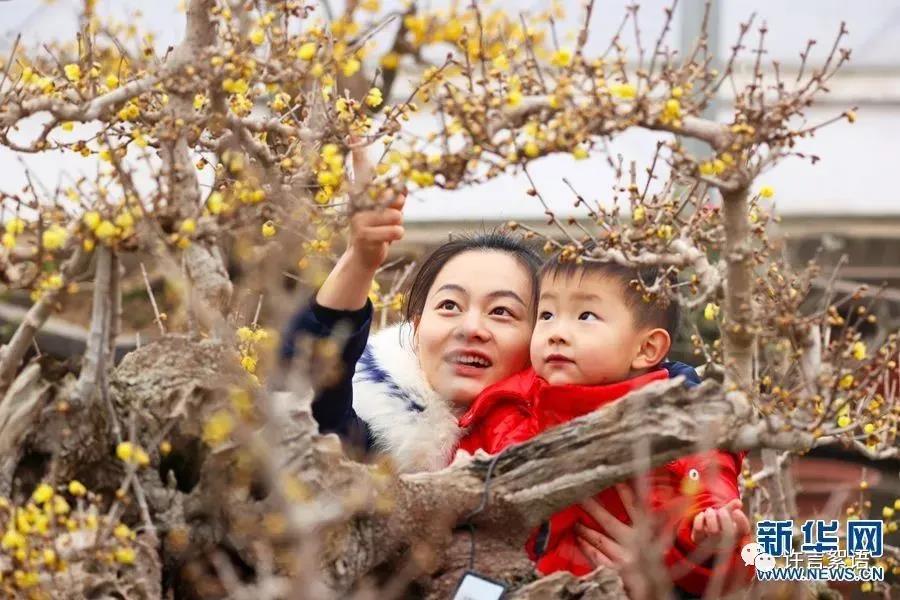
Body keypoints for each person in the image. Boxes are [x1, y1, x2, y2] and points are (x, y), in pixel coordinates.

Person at [457, 255, 752, 597]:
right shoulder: (507, 406)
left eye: (586, 316)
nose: (557, 334)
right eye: (547, 315)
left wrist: (712, 538)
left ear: (646, 348)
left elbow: (722, 532)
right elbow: (460, 524)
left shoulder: (679, 427)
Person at [279, 146, 543, 472]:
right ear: (416, 329)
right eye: (449, 305)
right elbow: (306, 400)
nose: (471, 328)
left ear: (539, 336)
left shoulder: (575, 435)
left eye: (501, 311)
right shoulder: (377, 441)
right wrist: (359, 261)